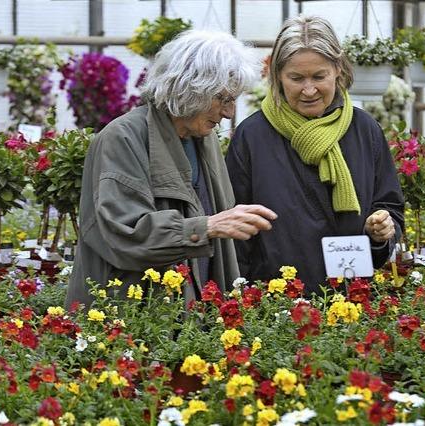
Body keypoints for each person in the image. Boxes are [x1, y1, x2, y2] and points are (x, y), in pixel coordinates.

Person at [66, 30, 277, 309]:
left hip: (189, 312)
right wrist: (208, 226)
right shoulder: (123, 138)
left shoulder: (205, 137)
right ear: (191, 88)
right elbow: (125, 233)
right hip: (133, 318)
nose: (229, 112)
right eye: (223, 99)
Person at [226, 16, 405, 294]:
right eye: (296, 78)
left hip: (351, 300)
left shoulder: (363, 130)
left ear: (338, 70)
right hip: (279, 303)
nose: (309, 90)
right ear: (277, 76)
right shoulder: (253, 136)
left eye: (319, 76)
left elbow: (390, 206)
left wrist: (381, 230)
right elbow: (235, 233)